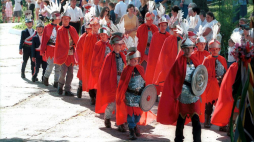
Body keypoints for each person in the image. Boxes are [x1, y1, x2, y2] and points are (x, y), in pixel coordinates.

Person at [157, 27, 201, 142]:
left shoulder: (195, 60)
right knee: (181, 119)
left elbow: (201, 76)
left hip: (194, 93)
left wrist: (199, 88)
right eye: (185, 49)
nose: (188, 51)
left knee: (196, 118)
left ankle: (197, 140)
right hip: (183, 93)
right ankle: (178, 139)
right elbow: (173, 78)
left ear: (192, 49)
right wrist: (175, 92)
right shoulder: (179, 61)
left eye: (189, 49)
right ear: (182, 49)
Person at [211, 32, 254, 140]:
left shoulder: (247, 67)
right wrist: (232, 93)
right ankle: (232, 127)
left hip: (245, 96)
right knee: (233, 110)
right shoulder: (234, 68)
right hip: (235, 95)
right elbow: (228, 83)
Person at [115, 43, 156, 140]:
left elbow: (144, 81)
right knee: (130, 115)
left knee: (138, 115)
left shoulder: (140, 68)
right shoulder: (126, 70)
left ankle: (134, 125)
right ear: (129, 60)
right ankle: (131, 131)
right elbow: (123, 84)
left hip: (139, 96)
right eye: (133, 60)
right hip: (130, 95)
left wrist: (146, 92)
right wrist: (122, 95)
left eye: (137, 60)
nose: (135, 61)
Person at [95, 32, 127, 130]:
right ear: (113, 45)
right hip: (112, 82)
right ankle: (107, 118)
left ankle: (120, 122)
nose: (120, 46)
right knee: (112, 103)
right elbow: (105, 73)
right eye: (118, 44)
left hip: (121, 80)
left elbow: (125, 67)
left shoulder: (122, 55)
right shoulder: (109, 57)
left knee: (121, 102)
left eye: (121, 44)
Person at [202, 24, 228, 130]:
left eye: (216, 49)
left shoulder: (222, 59)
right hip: (209, 86)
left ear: (219, 49)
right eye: (212, 49)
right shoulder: (207, 59)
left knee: (220, 105)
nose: (215, 51)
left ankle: (222, 123)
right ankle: (207, 120)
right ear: (209, 49)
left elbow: (225, 73)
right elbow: (203, 73)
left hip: (219, 85)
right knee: (208, 105)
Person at [54, 6, 79, 96]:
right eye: (64, 19)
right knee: (63, 72)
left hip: (71, 54)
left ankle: (67, 89)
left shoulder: (72, 29)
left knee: (70, 73)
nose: (66, 20)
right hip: (63, 55)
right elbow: (58, 44)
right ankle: (60, 87)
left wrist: (75, 47)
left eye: (67, 19)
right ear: (62, 19)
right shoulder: (60, 30)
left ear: (69, 19)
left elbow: (77, 41)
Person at [145, 14, 170, 100]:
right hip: (155, 60)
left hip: (164, 61)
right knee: (154, 76)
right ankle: (154, 94)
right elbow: (152, 49)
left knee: (163, 77)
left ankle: (163, 95)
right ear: (159, 26)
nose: (163, 27)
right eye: (162, 25)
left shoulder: (169, 36)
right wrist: (151, 60)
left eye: (165, 25)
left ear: (167, 26)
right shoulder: (155, 35)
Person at [88, 23, 113, 103]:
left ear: (107, 35)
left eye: (104, 34)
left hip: (108, 67)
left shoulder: (111, 44)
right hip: (99, 67)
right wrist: (94, 67)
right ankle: (94, 97)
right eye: (101, 34)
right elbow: (95, 57)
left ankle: (104, 99)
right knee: (96, 83)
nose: (102, 36)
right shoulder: (97, 44)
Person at [40, 1, 61, 88]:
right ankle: (45, 77)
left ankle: (56, 82)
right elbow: (44, 39)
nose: (59, 19)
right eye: (58, 17)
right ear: (54, 18)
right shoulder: (47, 27)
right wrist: (43, 50)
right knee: (51, 64)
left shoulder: (60, 28)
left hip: (58, 49)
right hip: (50, 48)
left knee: (58, 66)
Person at [82, 12, 100, 104]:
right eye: (93, 25)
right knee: (90, 78)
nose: (94, 27)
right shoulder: (88, 37)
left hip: (99, 62)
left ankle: (97, 96)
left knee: (97, 79)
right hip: (90, 61)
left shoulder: (101, 36)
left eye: (96, 25)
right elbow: (85, 51)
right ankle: (92, 97)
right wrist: (85, 62)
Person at [137, 3, 158, 71]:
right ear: (146, 20)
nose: (150, 22)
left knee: (152, 69)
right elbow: (138, 42)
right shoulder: (140, 28)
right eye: (149, 20)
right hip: (144, 52)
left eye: (152, 20)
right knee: (144, 68)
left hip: (152, 51)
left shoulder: (155, 28)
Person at [19, 10, 36, 79]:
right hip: (26, 48)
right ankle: (22, 73)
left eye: (30, 23)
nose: (29, 24)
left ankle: (33, 74)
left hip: (32, 48)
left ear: (32, 23)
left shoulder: (35, 31)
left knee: (33, 62)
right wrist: (20, 49)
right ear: (26, 24)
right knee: (24, 61)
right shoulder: (23, 32)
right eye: (28, 23)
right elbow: (21, 41)